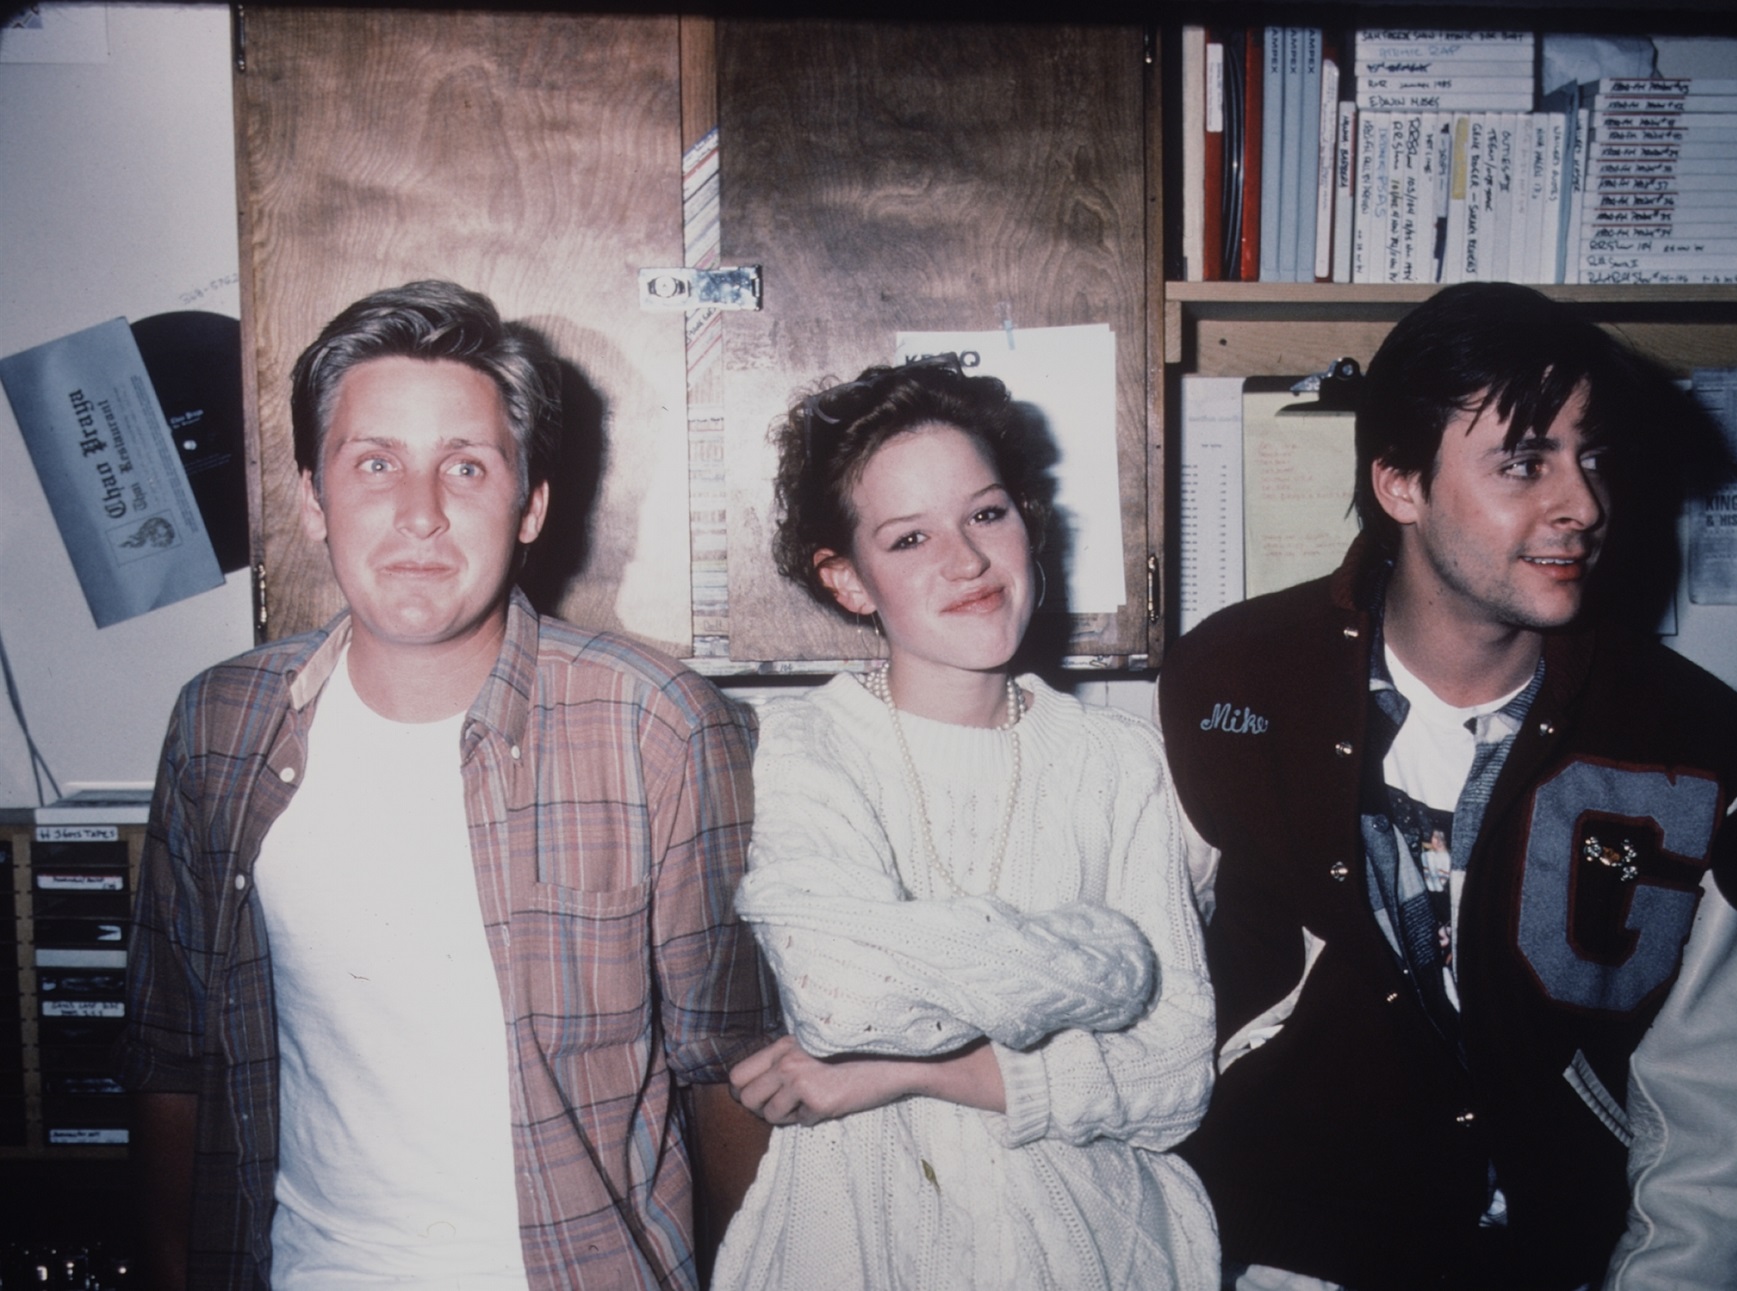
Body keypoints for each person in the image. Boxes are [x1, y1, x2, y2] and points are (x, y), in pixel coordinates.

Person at [119, 280, 779, 1290]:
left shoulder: (656, 722)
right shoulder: (220, 726)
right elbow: (173, 1052)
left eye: (465, 467)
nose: (419, 514)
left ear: (530, 504)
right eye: (375, 463)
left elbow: (728, 1066)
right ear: (310, 498)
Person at [1158, 282, 1737, 1291]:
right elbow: (1140, 1003)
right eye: (1522, 462)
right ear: (1397, 484)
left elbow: (1727, 1110)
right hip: (1268, 1257)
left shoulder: (1704, 746)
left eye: (1590, 455)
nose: (1583, 504)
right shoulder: (1227, 687)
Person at [711, 358, 1219, 1289]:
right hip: (857, 1238)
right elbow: (839, 996)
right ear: (848, 579)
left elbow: (1175, 1077)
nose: (967, 560)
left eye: (986, 513)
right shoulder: (804, 745)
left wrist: (906, 1071)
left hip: (1092, 1243)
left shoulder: (1122, 760)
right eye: (908, 538)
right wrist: (1111, 960)